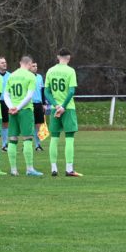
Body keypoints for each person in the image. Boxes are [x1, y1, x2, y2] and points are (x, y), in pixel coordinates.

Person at [4, 55, 43, 177]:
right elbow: (29, 96)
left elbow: (6, 94)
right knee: (27, 138)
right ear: (30, 64)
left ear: (20, 63)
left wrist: (11, 107)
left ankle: (13, 170)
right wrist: (19, 108)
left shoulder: (12, 75)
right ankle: (29, 168)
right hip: (25, 110)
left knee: (13, 139)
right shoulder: (31, 76)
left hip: (12, 110)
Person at [45, 48, 81, 177]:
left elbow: (46, 92)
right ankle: (69, 168)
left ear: (57, 57)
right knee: (69, 138)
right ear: (69, 58)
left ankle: (54, 168)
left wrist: (56, 105)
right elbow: (71, 91)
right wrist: (63, 107)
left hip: (55, 109)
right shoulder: (70, 71)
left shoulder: (50, 71)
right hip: (68, 108)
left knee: (54, 138)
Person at [0, 56, 11, 149]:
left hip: (6, 102)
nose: (4, 64)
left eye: (5, 62)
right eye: (2, 63)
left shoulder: (10, 75)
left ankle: (4, 144)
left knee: (5, 123)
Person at [31, 62, 45, 150]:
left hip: (39, 104)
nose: (35, 67)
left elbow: (42, 91)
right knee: (29, 125)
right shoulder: (27, 77)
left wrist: (43, 104)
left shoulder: (39, 77)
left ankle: (38, 145)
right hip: (30, 104)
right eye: (33, 66)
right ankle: (26, 145)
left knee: (38, 125)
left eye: (36, 66)